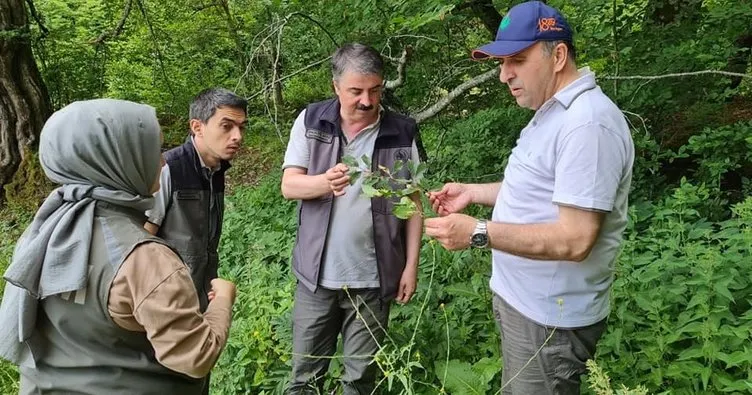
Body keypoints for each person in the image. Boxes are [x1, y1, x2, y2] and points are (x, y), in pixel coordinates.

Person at [424, 2, 635, 394]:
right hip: (524, 305)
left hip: (549, 320)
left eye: (517, 60)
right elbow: (543, 192)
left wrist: (478, 232)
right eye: (503, 62)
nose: (504, 74)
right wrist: (473, 192)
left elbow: (575, 240)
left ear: (557, 56)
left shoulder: (588, 124)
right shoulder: (553, 112)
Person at [0, 99, 237, 394]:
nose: (163, 162)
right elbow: (195, 356)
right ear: (117, 158)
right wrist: (223, 300)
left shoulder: (42, 234)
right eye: (151, 151)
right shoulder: (145, 258)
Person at [280, 43, 423, 394]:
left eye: (375, 90)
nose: (366, 100)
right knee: (304, 377)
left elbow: (413, 201)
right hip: (316, 279)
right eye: (355, 91)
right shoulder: (312, 121)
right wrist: (322, 182)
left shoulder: (402, 132)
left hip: (373, 281)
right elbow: (289, 185)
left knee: (360, 380)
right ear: (336, 87)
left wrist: (411, 267)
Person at [144, 87, 247, 312]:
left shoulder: (216, 170)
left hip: (200, 295)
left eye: (241, 127)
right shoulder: (168, 169)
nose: (237, 136)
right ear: (197, 127)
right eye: (227, 126)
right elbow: (142, 241)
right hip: (167, 302)